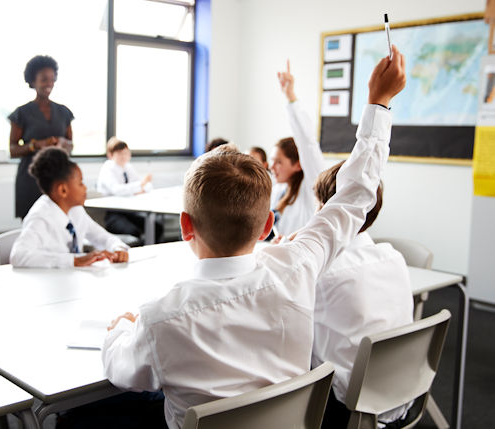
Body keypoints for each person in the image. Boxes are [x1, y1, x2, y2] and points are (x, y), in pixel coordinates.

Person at [101, 45, 406, 429]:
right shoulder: (298, 265)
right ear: (267, 226)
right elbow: (356, 195)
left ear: (185, 225)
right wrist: (378, 103)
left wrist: (120, 329)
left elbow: (119, 368)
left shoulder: (160, 319)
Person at [311, 161, 414, 429]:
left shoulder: (324, 273)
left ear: (327, 211)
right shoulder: (393, 256)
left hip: (343, 409)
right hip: (399, 393)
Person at [10, 147, 130, 268]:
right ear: (63, 190)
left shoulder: (75, 210)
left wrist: (118, 248)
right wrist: (74, 261)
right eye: (80, 183)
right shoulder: (41, 217)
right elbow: (18, 255)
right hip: (50, 282)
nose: (85, 188)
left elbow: (102, 237)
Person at [9, 55, 74, 219]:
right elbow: (13, 149)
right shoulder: (21, 113)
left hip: (58, 175)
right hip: (30, 179)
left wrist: (62, 144)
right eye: (44, 79)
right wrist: (36, 145)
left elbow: (70, 144)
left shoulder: (64, 112)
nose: (49, 84)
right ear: (32, 81)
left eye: (52, 79)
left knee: (60, 223)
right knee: (32, 224)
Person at [270, 60, 327, 238]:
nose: (272, 167)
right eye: (272, 161)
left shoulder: (311, 187)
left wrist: (291, 97)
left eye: (279, 162)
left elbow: (307, 142)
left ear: (298, 164)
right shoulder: (279, 190)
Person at [96, 137, 162, 242]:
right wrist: (140, 185)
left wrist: (141, 186)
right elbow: (118, 190)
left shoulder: (128, 167)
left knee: (157, 227)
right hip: (113, 214)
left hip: (130, 212)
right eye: (119, 153)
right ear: (111, 155)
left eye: (126, 153)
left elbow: (147, 186)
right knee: (133, 232)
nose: (124, 156)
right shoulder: (107, 168)